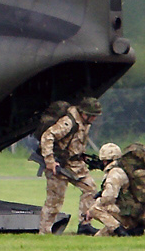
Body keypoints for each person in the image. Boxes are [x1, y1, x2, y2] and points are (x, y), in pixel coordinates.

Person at [38, 96, 102, 234]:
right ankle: (44, 232)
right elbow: (48, 136)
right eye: (92, 116)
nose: (94, 119)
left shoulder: (85, 123)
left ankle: (85, 224)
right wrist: (49, 161)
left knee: (90, 189)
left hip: (75, 165)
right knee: (54, 201)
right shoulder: (68, 122)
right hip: (59, 165)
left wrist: (82, 155)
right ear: (84, 113)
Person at [90, 142, 126, 236]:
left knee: (95, 209)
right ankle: (119, 229)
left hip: (125, 214)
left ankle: (121, 232)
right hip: (131, 213)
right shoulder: (122, 169)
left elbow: (109, 197)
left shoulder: (114, 174)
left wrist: (96, 203)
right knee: (99, 237)